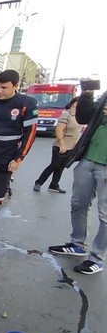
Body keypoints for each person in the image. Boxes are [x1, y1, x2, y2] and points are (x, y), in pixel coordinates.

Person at [48, 90, 107, 274]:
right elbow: (83, 118)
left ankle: (97, 258)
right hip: (89, 158)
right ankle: (77, 244)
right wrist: (87, 96)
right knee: (78, 203)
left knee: (105, 214)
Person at [0, 70, 38, 236]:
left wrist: (19, 158)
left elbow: (30, 134)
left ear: (16, 86)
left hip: (7, 156)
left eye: (4, 87)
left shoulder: (27, 104)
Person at [34, 97, 80, 193]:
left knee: (61, 166)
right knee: (54, 164)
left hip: (71, 145)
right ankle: (39, 182)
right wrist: (62, 145)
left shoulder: (79, 116)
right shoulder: (66, 114)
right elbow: (59, 130)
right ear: (73, 103)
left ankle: (54, 184)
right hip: (61, 145)